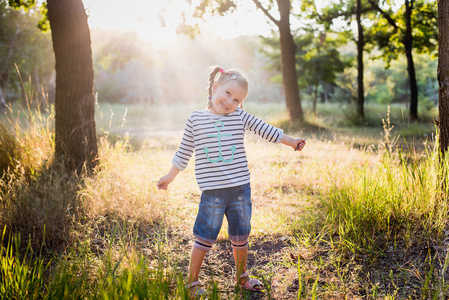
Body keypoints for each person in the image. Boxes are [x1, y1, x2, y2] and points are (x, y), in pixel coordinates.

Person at [157, 66, 306, 297]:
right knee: (205, 236)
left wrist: (292, 141)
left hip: (239, 190)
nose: (230, 102)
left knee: (241, 236)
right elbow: (184, 151)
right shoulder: (196, 118)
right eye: (227, 93)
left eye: (236, 99)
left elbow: (266, 130)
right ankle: (192, 281)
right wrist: (170, 176)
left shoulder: (239, 116)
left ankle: (242, 277)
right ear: (215, 87)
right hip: (213, 193)